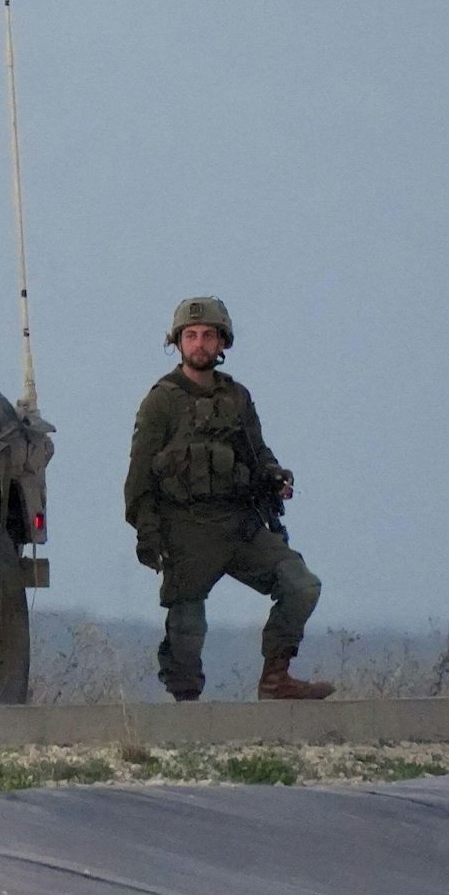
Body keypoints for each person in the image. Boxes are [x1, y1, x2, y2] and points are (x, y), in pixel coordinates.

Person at [123, 297, 334, 702]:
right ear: (178, 343)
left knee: (301, 585)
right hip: (187, 529)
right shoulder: (161, 402)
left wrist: (275, 477)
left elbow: (257, 452)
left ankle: (276, 677)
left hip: (241, 524)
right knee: (187, 626)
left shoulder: (237, 397)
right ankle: (186, 707)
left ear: (222, 343)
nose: (199, 343)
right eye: (190, 336)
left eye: (208, 335)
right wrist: (148, 533)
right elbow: (138, 478)